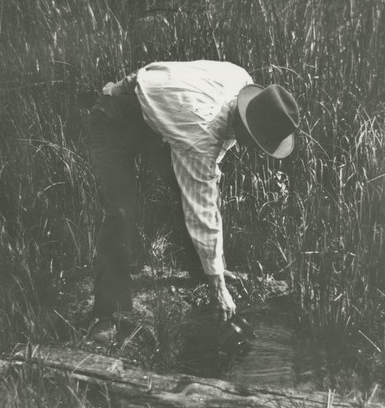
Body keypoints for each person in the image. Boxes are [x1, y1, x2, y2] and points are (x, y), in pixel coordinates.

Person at [87, 60, 300, 342]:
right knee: (121, 211)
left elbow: (161, 70)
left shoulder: (239, 80)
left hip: (156, 121)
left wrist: (215, 268)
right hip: (112, 119)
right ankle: (106, 315)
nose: (254, 149)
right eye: (255, 141)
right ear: (245, 124)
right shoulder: (201, 129)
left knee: (185, 189)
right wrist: (221, 288)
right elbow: (202, 208)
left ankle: (202, 271)